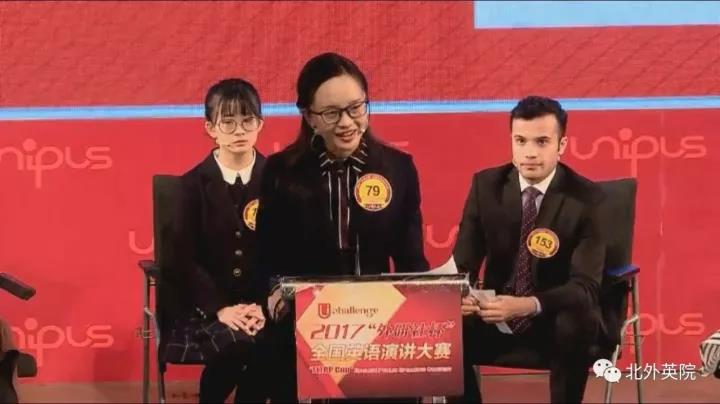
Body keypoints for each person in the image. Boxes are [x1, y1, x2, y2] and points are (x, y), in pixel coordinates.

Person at [256, 52, 430, 401]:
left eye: (356, 108)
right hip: (306, 321)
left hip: (379, 322)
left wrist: (431, 301)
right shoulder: (280, 172)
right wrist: (276, 293)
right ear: (308, 116)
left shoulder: (398, 168)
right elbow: (266, 257)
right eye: (332, 113)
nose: (347, 122)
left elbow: (411, 260)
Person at [452, 96, 606, 403]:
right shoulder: (486, 187)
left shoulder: (588, 199)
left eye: (542, 142)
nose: (530, 153)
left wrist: (526, 305)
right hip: (496, 314)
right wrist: (462, 294)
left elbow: (585, 288)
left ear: (562, 145)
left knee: (575, 321)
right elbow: (462, 264)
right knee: (447, 322)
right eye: (520, 141)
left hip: (554, 318)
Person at [165, 78, 268, 403]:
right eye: (228, 122)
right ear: (210, 128)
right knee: (236, 345)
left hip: (264, 306)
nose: (239, 131)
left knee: (270, 346)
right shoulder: (190, 186)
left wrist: (264, 305)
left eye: (247, 120)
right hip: (205, 310)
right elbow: (182, 259)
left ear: (260, 124)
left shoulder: (279, 181)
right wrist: (220, 308)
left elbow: (286, 251)